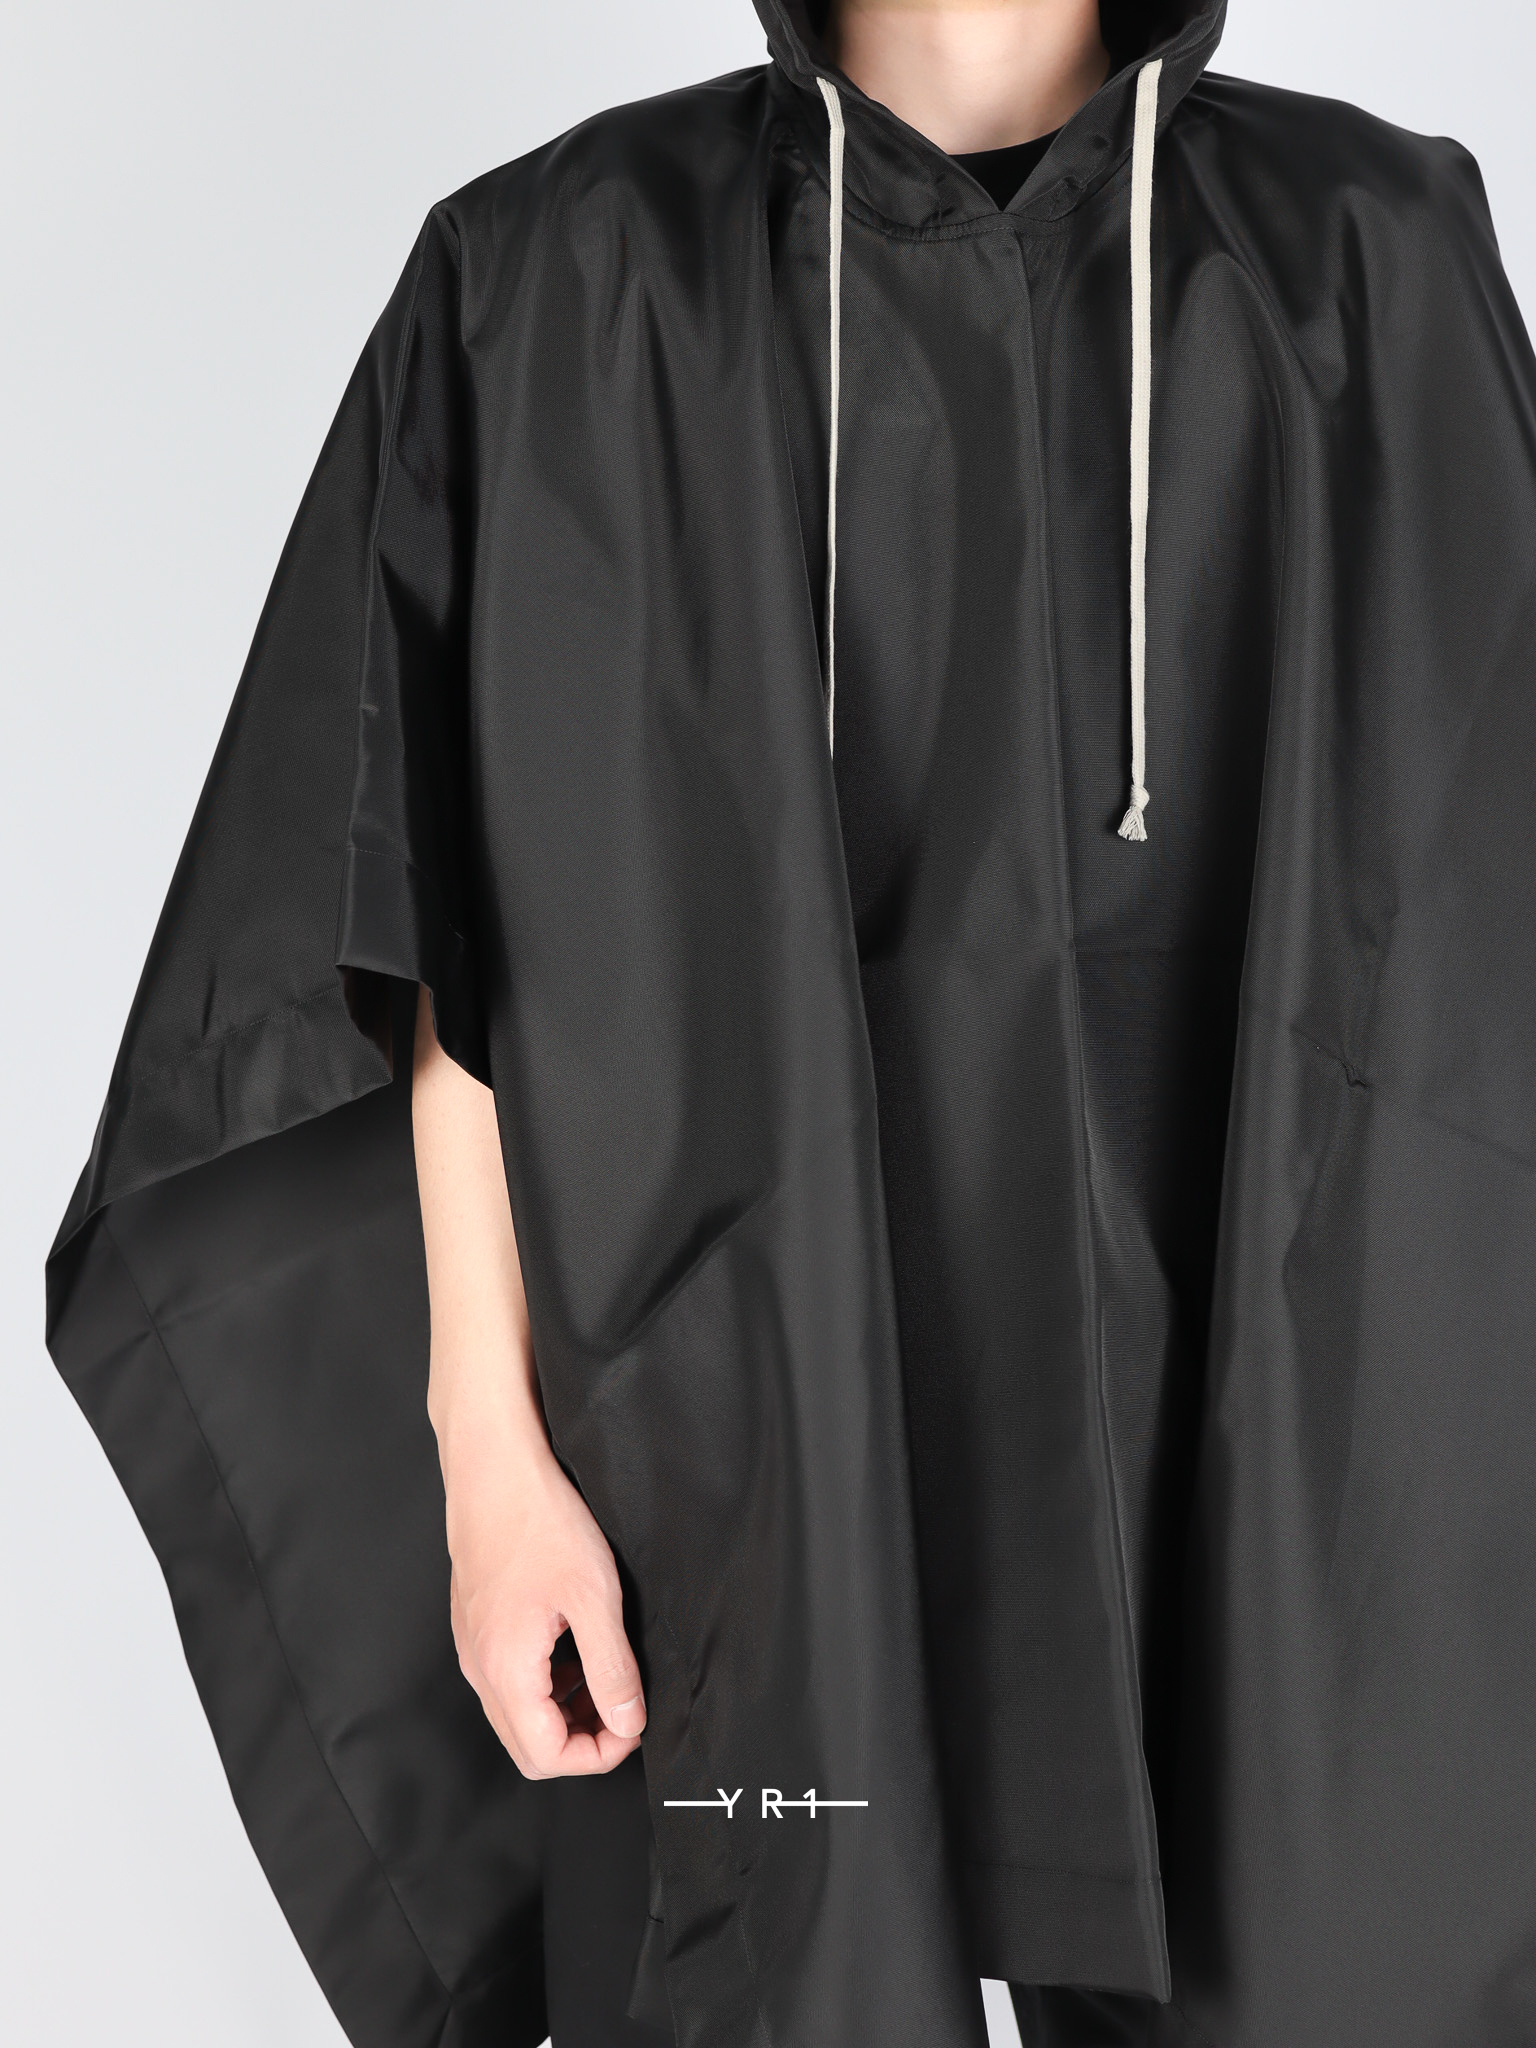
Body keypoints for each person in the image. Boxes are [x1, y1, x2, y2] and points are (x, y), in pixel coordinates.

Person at [45, 3, 1536, 2045]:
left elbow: (1478, 943)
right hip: (744, 1450)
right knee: (772, 1944)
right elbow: (434, 917)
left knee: (1321, 1952)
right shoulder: (562, 273)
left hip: (1262, 1462)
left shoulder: (1368, 251)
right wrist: (489, 1460)